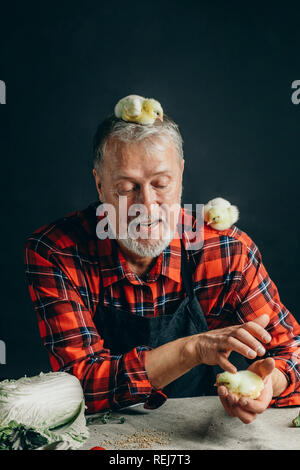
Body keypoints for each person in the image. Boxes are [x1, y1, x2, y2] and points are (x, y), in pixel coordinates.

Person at [24, 110, 300, 425]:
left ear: (181, 176)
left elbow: (293, 351)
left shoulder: (226, 251)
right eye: (127, 188)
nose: (147, 205)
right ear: (99, 185)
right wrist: (192, 349)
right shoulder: (57, 251)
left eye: (161, 183)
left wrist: (269, 382)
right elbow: (77, 387)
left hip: (200, 434)